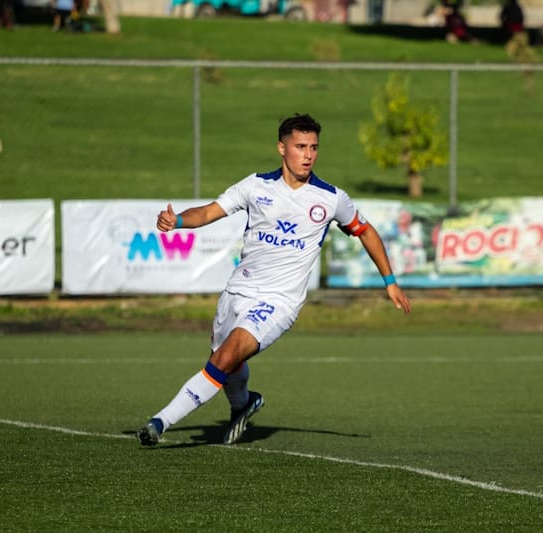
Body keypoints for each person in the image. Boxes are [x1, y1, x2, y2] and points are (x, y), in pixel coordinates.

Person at [137, 113, 412, 447]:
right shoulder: (255, 186)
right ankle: (244, 405)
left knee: (225, 357)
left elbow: (365, 230)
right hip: (237, 292)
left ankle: (159, 423)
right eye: (300, 146)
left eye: (313, 147)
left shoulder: (330, 198)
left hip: (279, 302)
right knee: (225, 362)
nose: (308, 154)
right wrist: (177, 219)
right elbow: (210, 211)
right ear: (282, 148)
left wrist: (390, 281)